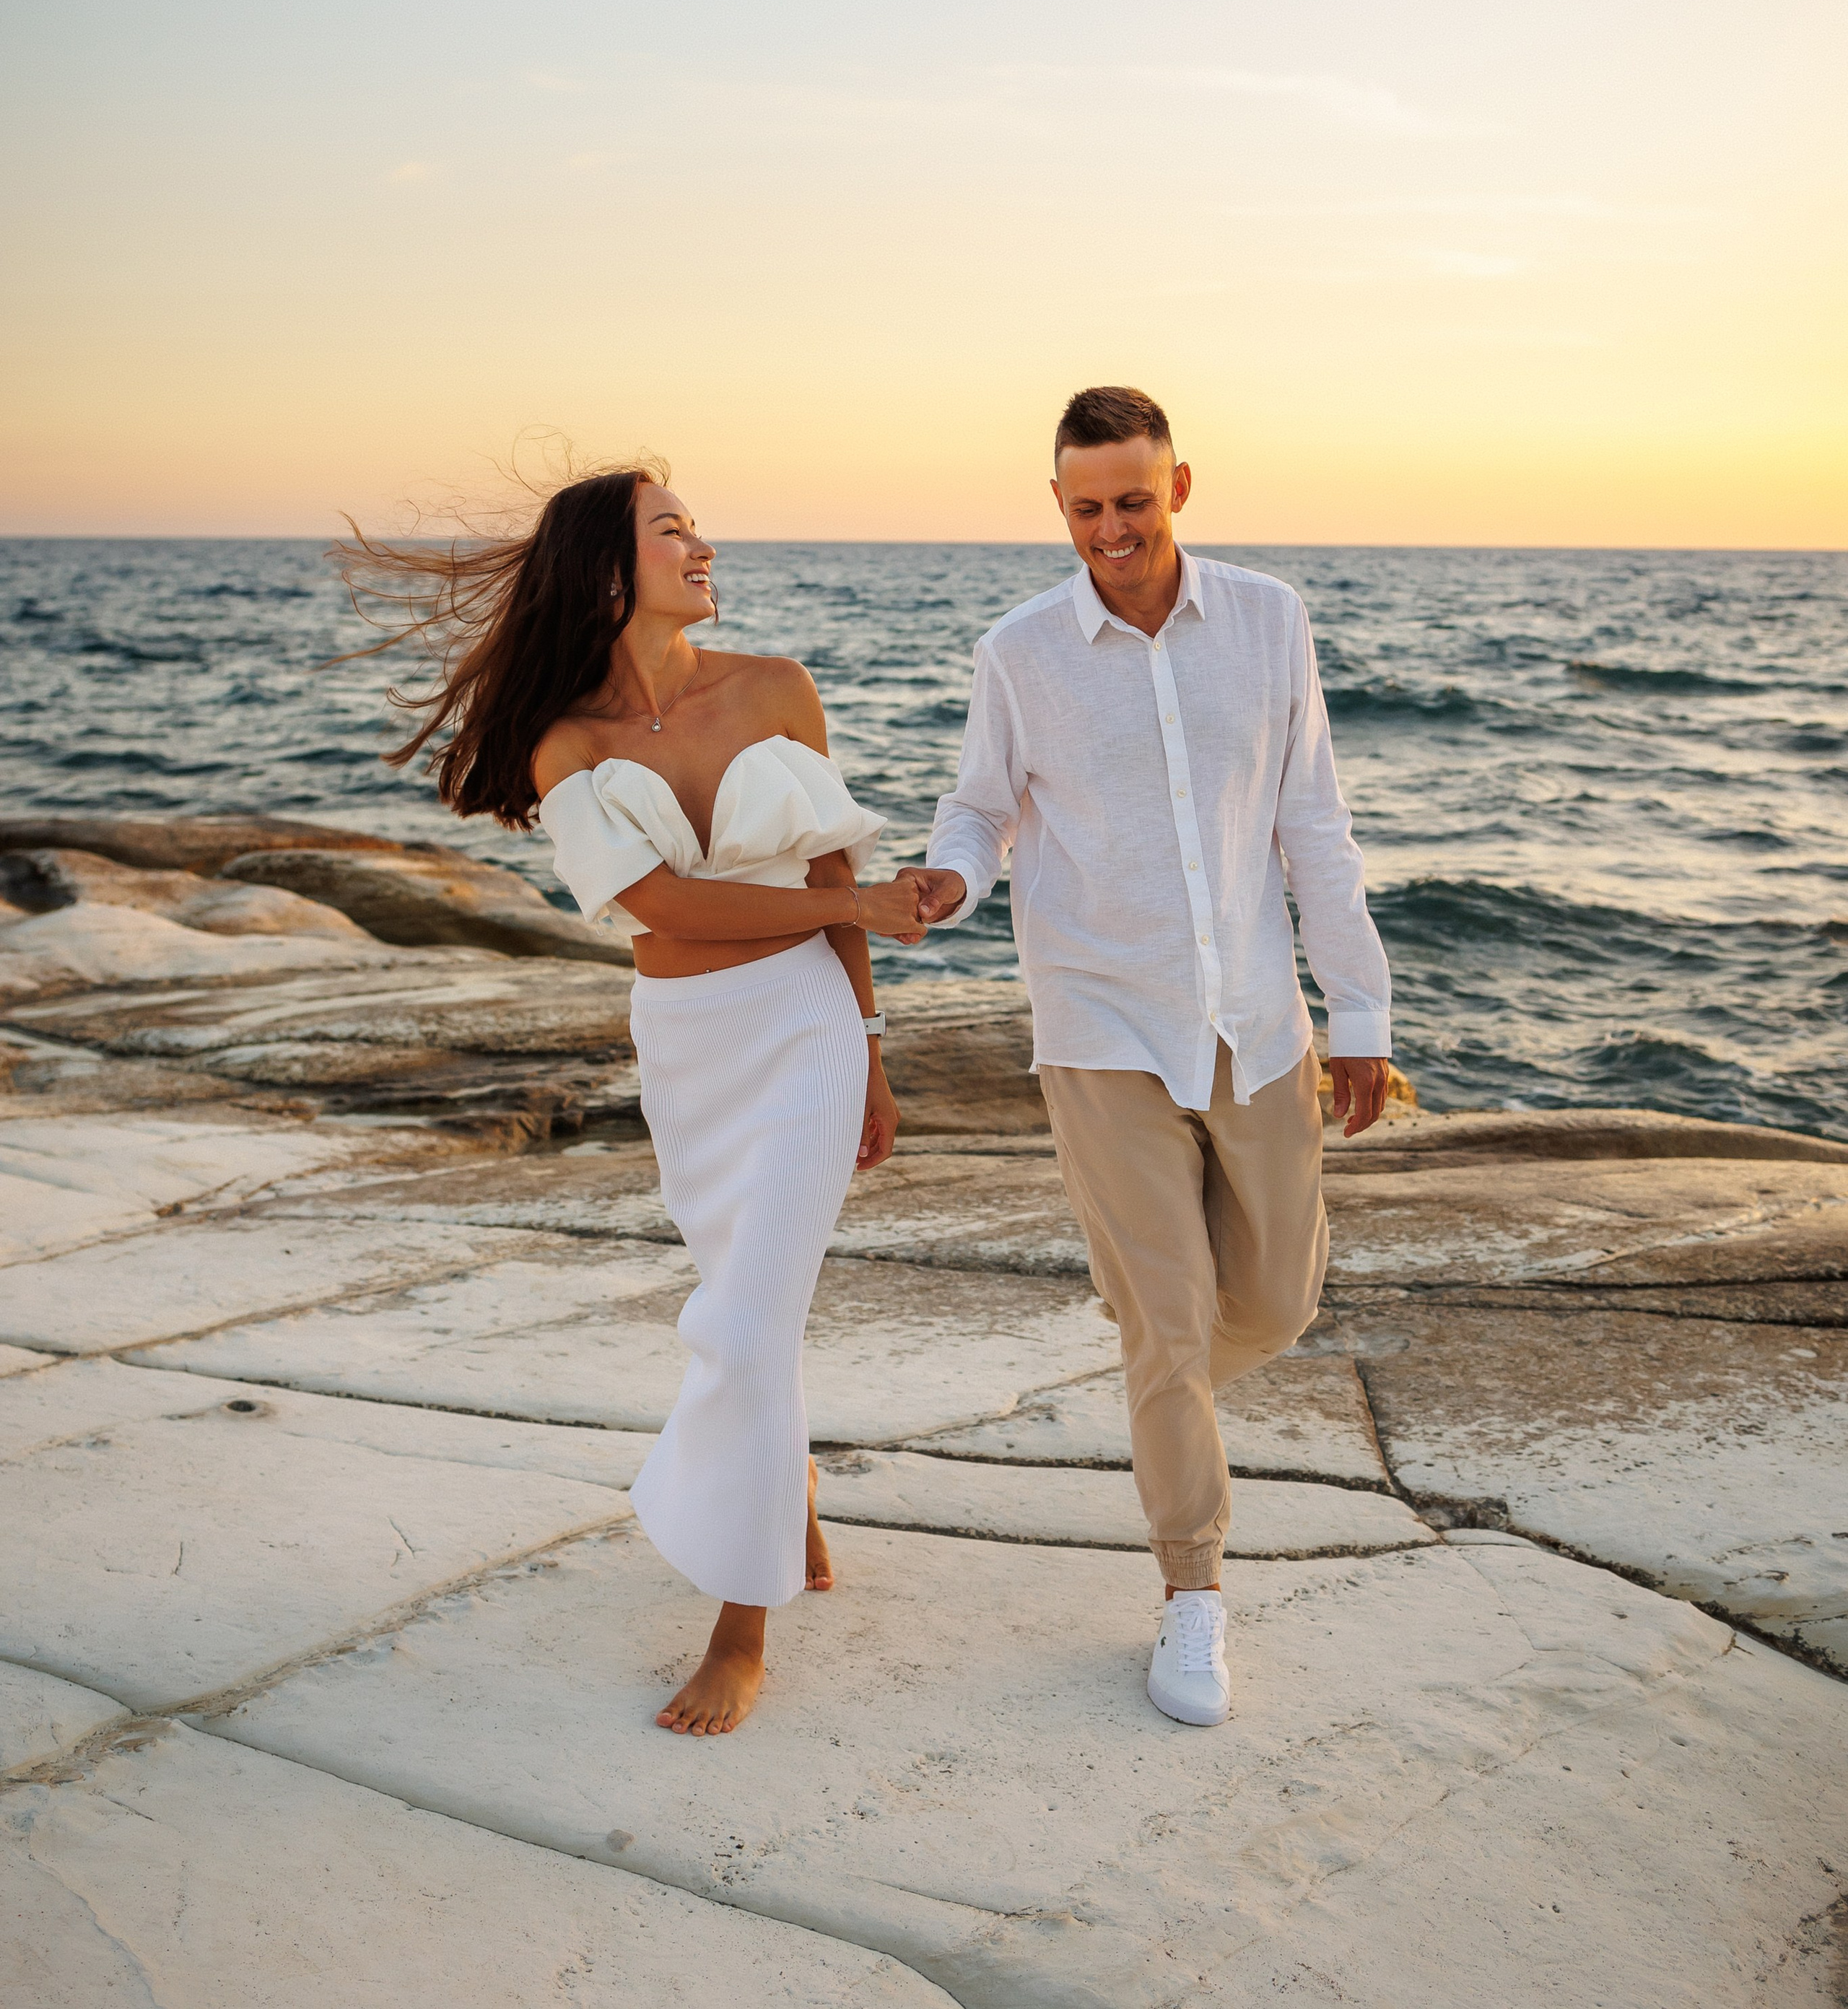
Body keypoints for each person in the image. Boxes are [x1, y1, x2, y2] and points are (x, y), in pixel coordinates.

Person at [336, 461, 925, 1737]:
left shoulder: (777, 688)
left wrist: (871, 1043)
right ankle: (793, 1502)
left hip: (808, 1026)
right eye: (674, 531)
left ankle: (740, 1620)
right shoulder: (568, 742)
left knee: (748, 1325)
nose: (703, 545)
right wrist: (851, 901)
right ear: (611, 572)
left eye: (696, 527)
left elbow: (831, 865)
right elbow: (664, 907)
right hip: (692, 1046)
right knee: (744, 1307)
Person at [910, 387, 1392, 1727]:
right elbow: (979, 808)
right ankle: (1193, 1593)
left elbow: (1314, 822)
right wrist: (949, 883)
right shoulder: (1020, 652)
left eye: (1132, 500)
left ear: (1180, 485)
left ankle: (1155, 1388)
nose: (1110, 530)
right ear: (1056, 507)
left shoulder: (1268, 620)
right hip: (1098, 1023)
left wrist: (1360, 1013)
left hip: (1254, 1016)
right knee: (1170, 1325)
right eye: (1085, 509)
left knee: (1278, 1306)